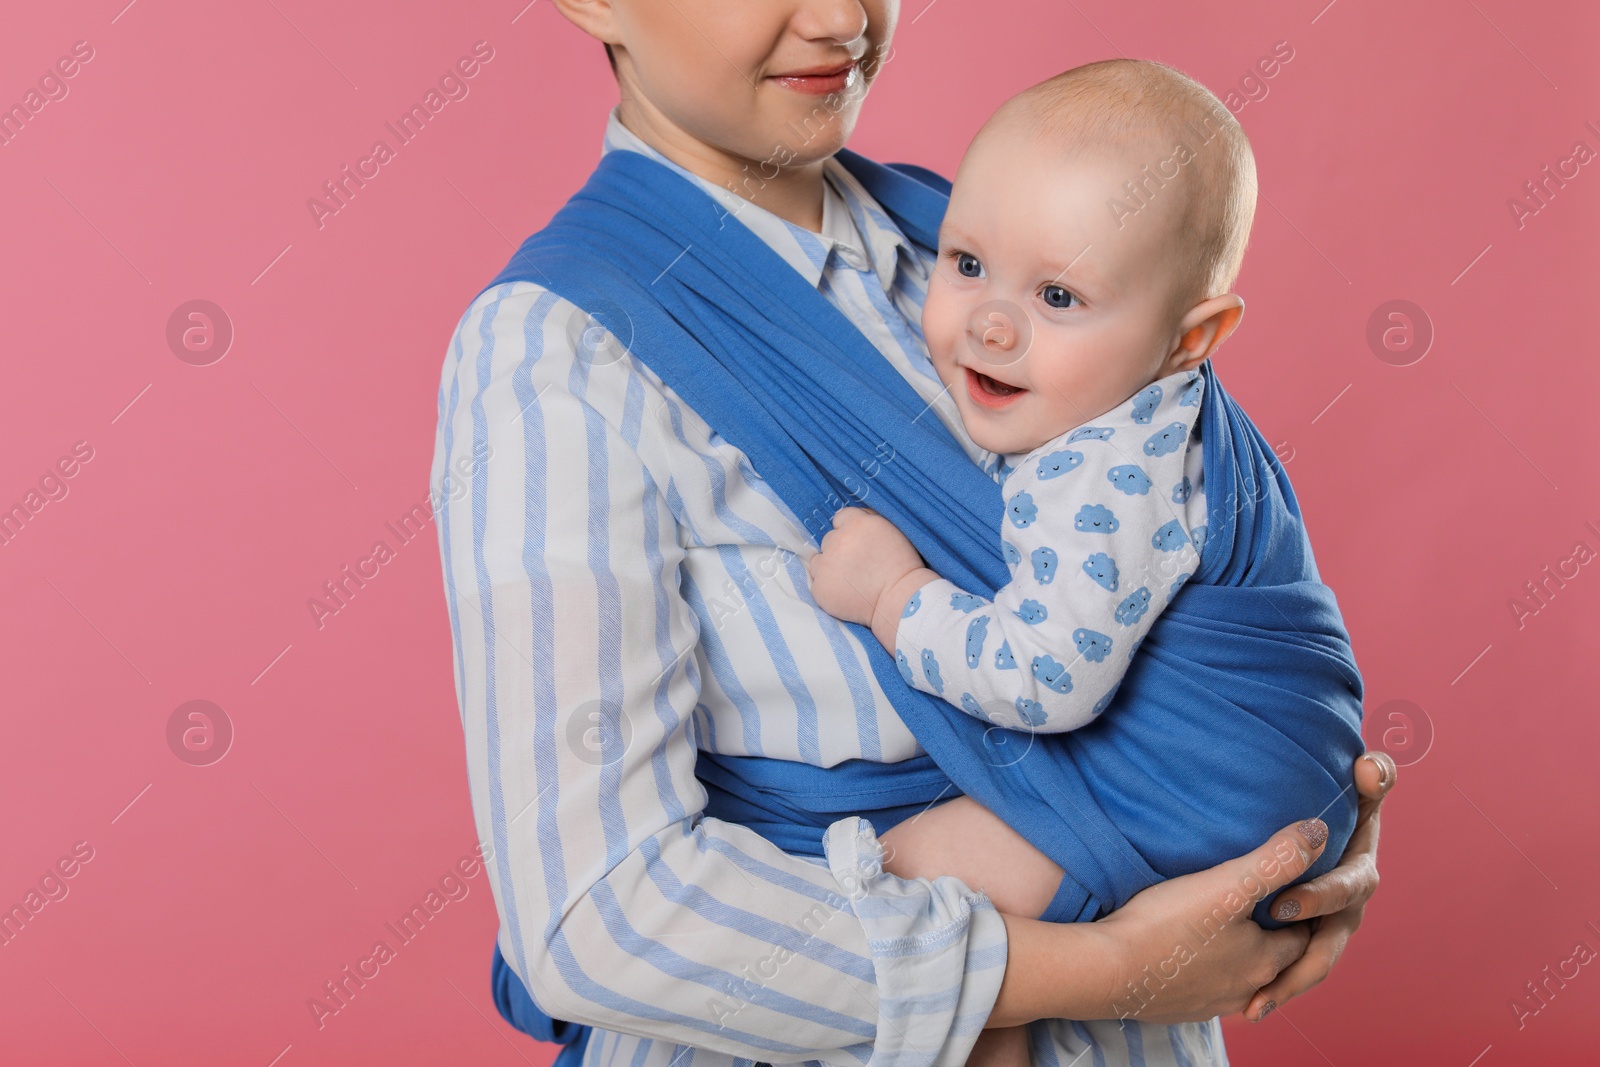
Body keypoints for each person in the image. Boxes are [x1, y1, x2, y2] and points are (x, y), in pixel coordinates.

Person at [430, 3, 1396, 1065]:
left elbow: (1199, 599)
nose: (843, 14)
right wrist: (1118, 964)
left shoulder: (983, 240)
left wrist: (1287, 843)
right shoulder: (557, 355)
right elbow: (597, 917)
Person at [805, 59, 1362, 1067]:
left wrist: (894, 596)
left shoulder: (1107, 476)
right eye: (965, 261)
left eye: (1058, 294)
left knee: (915, 879)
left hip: (1216, 793)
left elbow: (1041, 677)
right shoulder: (1139, 403)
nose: (991, 320)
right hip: (1270, 781)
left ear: (1192, 336)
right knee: (969, 928)